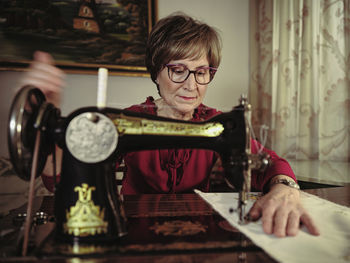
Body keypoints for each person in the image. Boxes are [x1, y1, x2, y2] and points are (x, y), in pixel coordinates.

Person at [19, 13, 319, 238]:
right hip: (133, 233)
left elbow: (270, 163)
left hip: (198, 233)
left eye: (202, 71)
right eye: (178, 70)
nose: (192, 85)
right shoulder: (128, 120)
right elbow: (58, 181)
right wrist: (48, 118)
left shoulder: (217, 122)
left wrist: (284, 189)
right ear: (156, 71)